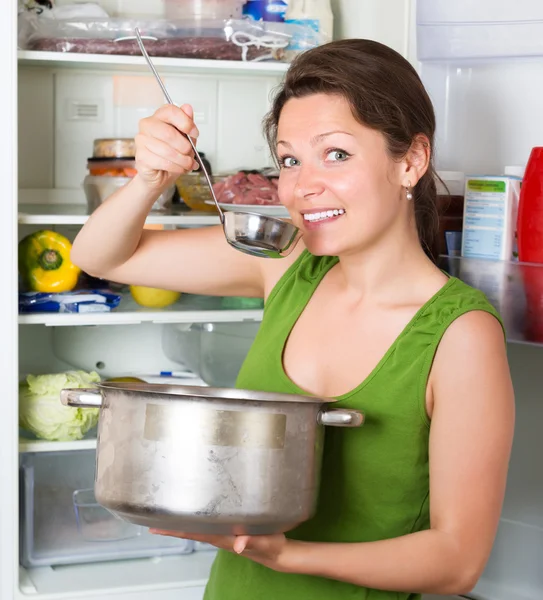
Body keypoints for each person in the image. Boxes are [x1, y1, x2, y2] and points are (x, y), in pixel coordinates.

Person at [71, 39, 515, 600]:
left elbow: (456, 561)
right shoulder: (286, 264)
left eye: (336, 154)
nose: (303, 186)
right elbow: (99, 256)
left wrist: (288, 555)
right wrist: (150, 180)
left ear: (411, 161)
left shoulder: (460, 335)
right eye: (289, 159)